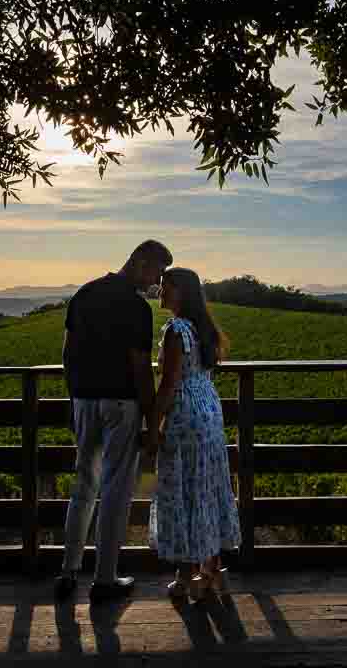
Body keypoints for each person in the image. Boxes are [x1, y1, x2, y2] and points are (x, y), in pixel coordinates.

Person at [56, 240, 173, 602]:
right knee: (116, 490)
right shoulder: (136, 308)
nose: (157, 282)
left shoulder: (85, 293)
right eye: (156, 271)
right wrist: (152, 413)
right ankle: (105, 578)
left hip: (84, 400)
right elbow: (140, 366)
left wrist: (75, 395)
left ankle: (68, 571)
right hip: (120, 404)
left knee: (83, 485)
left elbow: (67, 352)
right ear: (139, 263)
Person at [149, 267, 241, 600]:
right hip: (210, 414)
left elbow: (169, 385)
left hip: (185, 417)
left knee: (184, 492)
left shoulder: (177, 330)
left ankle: (186, 578)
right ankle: (213, 572)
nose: (160, 292)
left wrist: (153, 426)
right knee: (207, 488)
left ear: (182, 292)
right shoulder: (205, 329)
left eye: (167, 287)